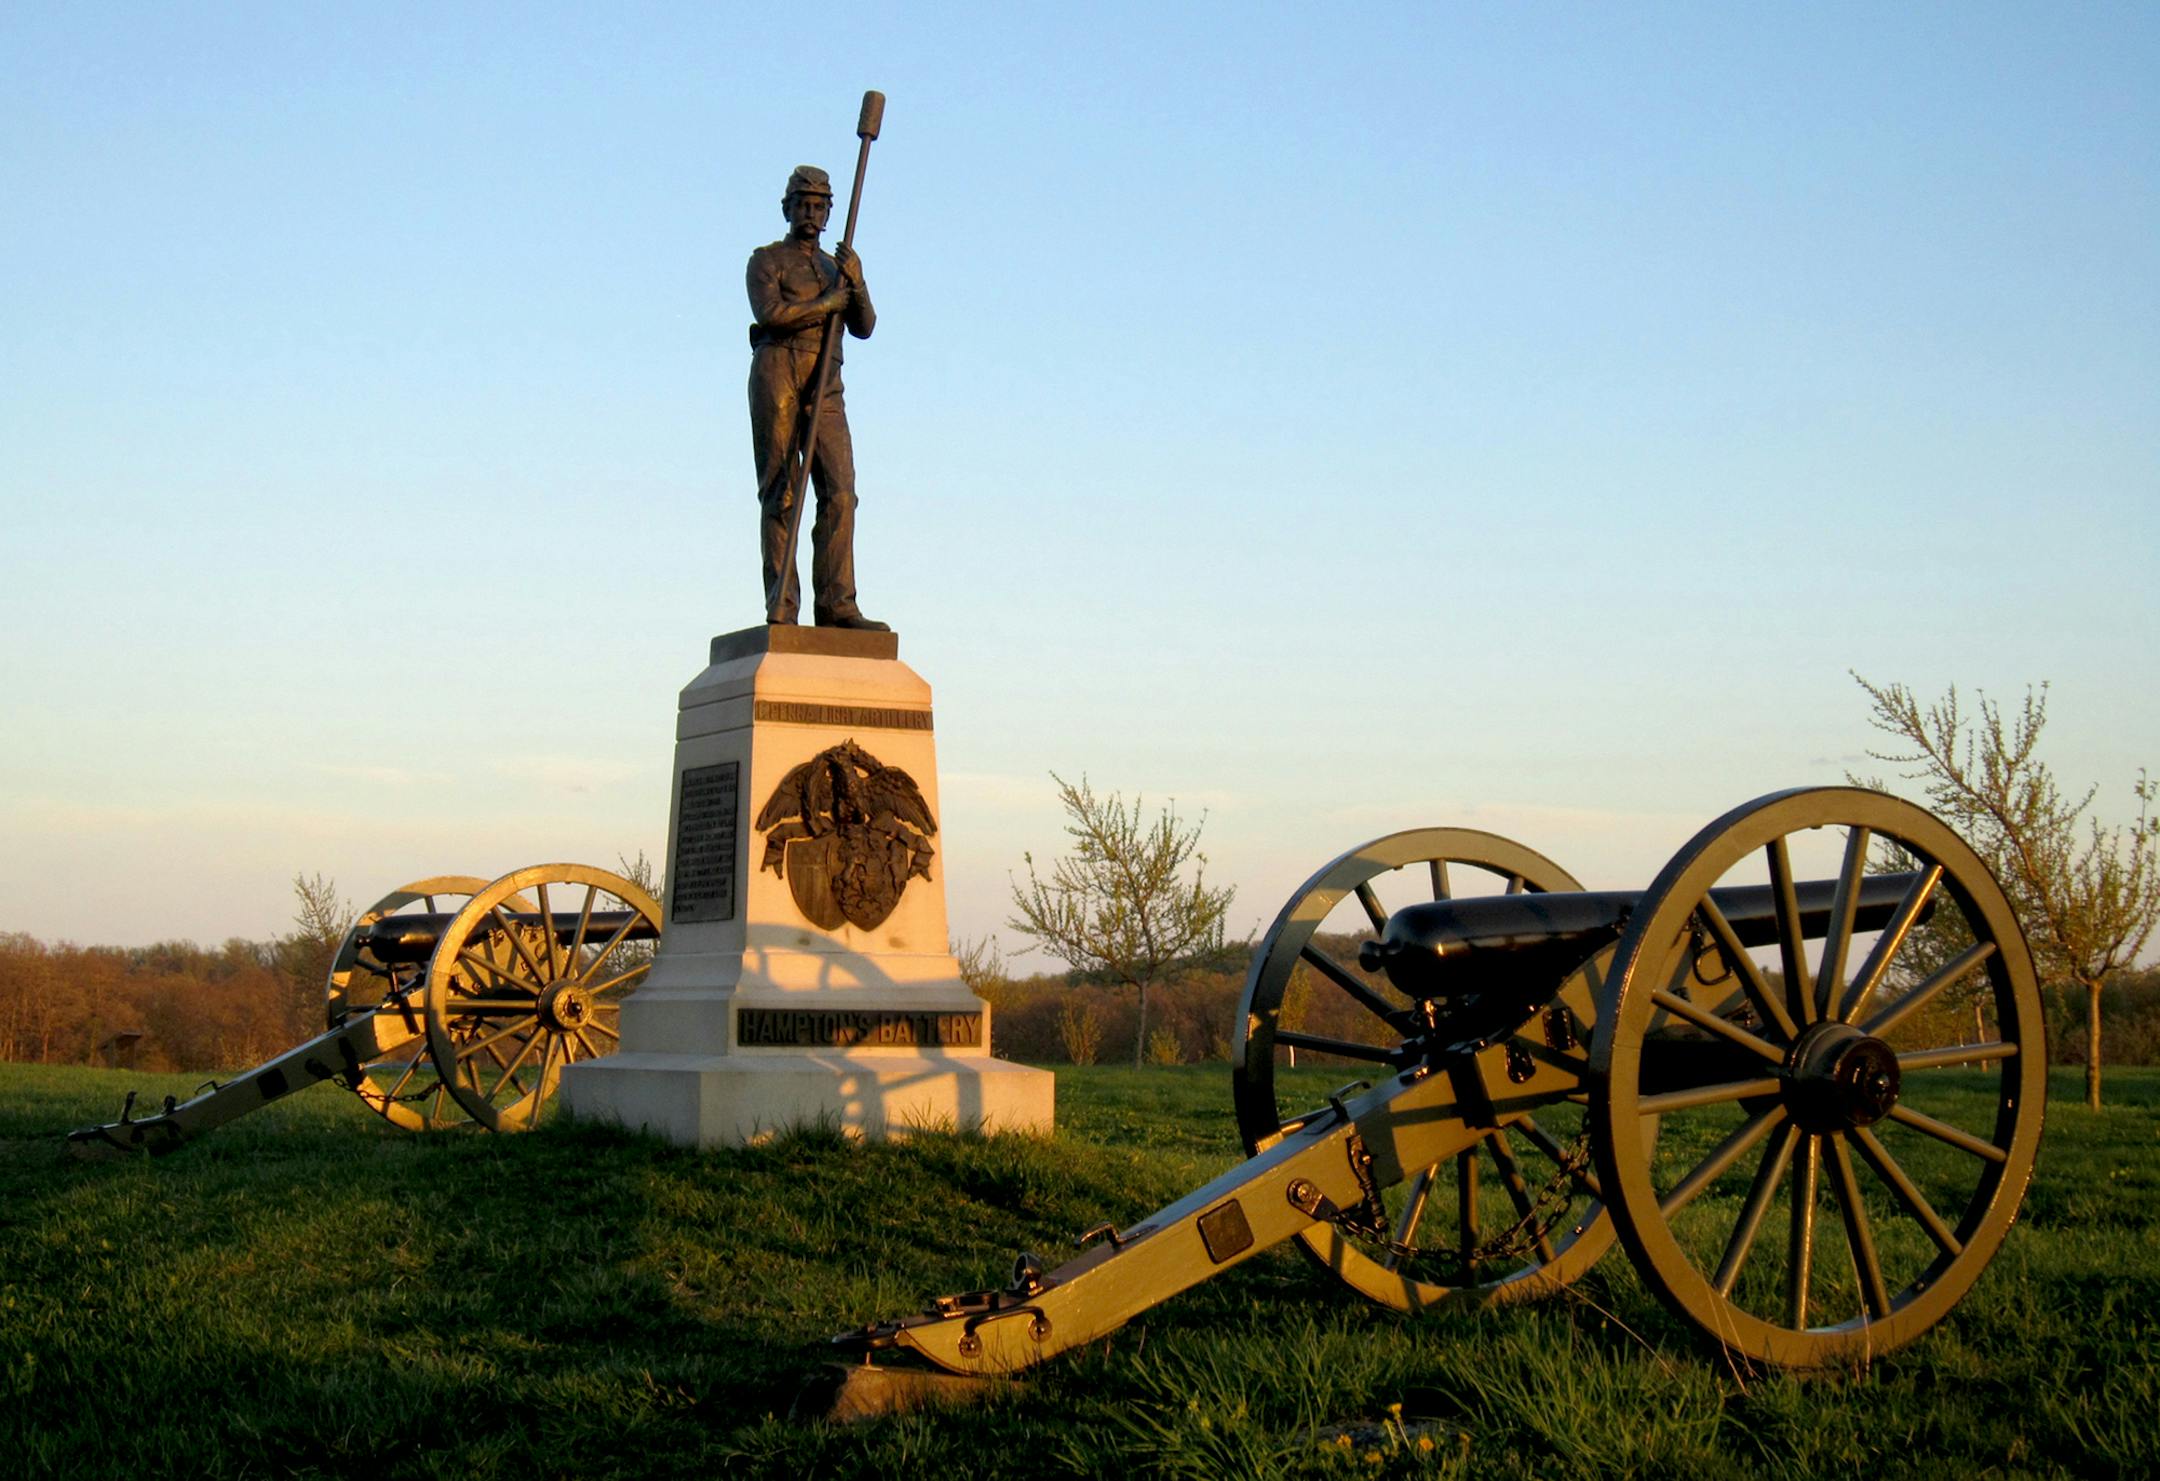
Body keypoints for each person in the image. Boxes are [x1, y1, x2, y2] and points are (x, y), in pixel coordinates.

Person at [746, 165, 886, 630]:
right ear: (787, 209)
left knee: (842, 492)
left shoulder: (836, 268)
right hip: (779, 369)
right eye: (802, 204)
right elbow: (771, 313)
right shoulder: (766, 260)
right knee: (782, 492)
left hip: (827, 379)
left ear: (829, 213)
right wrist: (826, 305)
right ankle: (782, 605)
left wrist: (857, 282)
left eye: (819, 205)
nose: (810, 212)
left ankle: (836, 603)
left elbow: (864, 327)